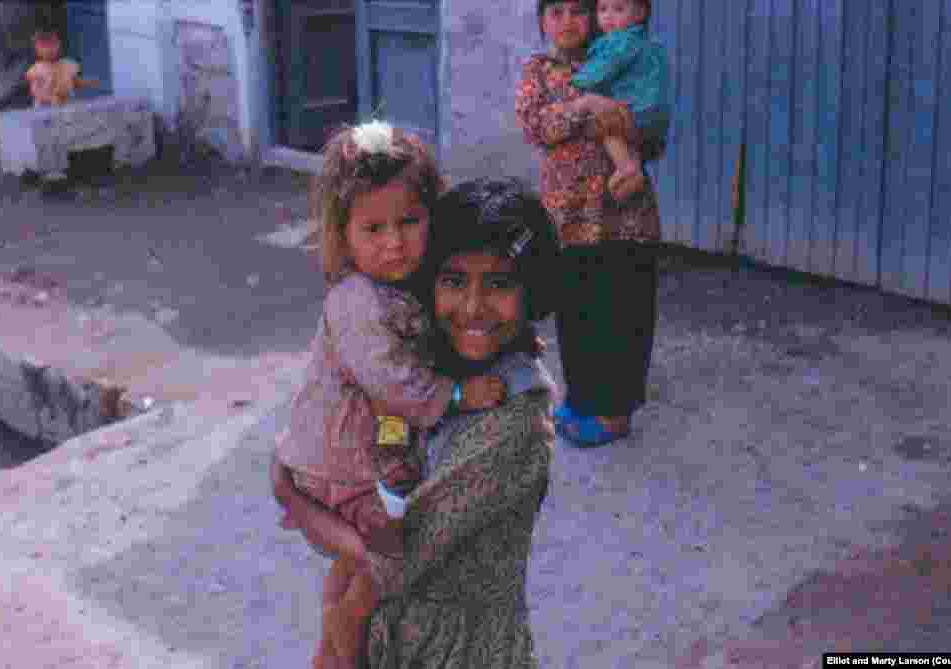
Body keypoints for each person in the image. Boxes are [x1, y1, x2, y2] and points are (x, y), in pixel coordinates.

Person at [272, 177, 561, 668]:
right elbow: (384, 439)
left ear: (532, 292)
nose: (473, 307)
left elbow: (393, 555)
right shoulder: (426, 370)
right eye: (453, 281)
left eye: (499, 284)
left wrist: (293, 497)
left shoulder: (513, 428)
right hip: (397, 642)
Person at [515, 0, 667, 447]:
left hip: (625, 214)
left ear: (596, 16)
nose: (567, 22)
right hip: (569, 216)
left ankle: (615, 412)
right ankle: (583, 399)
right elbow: (536, 126)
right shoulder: (538, 70)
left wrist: (618, 118)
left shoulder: (628, 58)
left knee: (623, 312)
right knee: (577, 311)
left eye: (577, 11)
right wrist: (589, 105)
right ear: (542, 20)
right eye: (555, 12)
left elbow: (654, 133)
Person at [570, 0, 669, 201]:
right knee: (627, 136)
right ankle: (633, 169)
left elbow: (602, 69)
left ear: (640, 13)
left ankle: (626, 167)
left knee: (607, 127)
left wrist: (579, 78)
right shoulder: (649, 43)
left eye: (618, 9)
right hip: (652, 113)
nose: (608, 16)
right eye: (602, 9)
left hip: (633, 109)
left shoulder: (619, 41)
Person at [25, 28, 99, 107]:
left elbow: (74, 82)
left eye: (53, 44)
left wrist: (86, 82)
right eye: (43, 46)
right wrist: (50, 98)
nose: (49, 49)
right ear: (36, 49)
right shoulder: (36, 69)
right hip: (45, 107)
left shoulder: (69, 64)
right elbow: (35, 91)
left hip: (68, 102)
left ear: (59, 44)